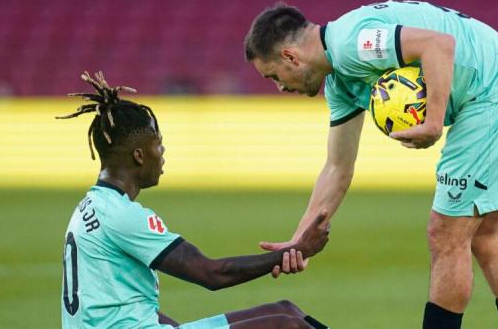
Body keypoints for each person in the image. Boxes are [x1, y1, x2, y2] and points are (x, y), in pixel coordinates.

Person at [244, 0, 498, 329]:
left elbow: (438, 45)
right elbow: (337, 167)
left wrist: (433, 122)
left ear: (291, 56)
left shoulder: (351, 43)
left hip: (496, 97)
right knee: (485, 234)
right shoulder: (340, 80)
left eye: (274, 76)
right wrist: (300, 240)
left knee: (445, 233)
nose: (279, 87)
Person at [57, 71, 330, 329]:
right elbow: (211, 273)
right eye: (158, 143)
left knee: (287, 310)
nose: (162, 151)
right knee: (284, 325)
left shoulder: (91, 208)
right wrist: (298, 250)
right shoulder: (124, 215)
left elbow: (128, 308)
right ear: (139, 155)